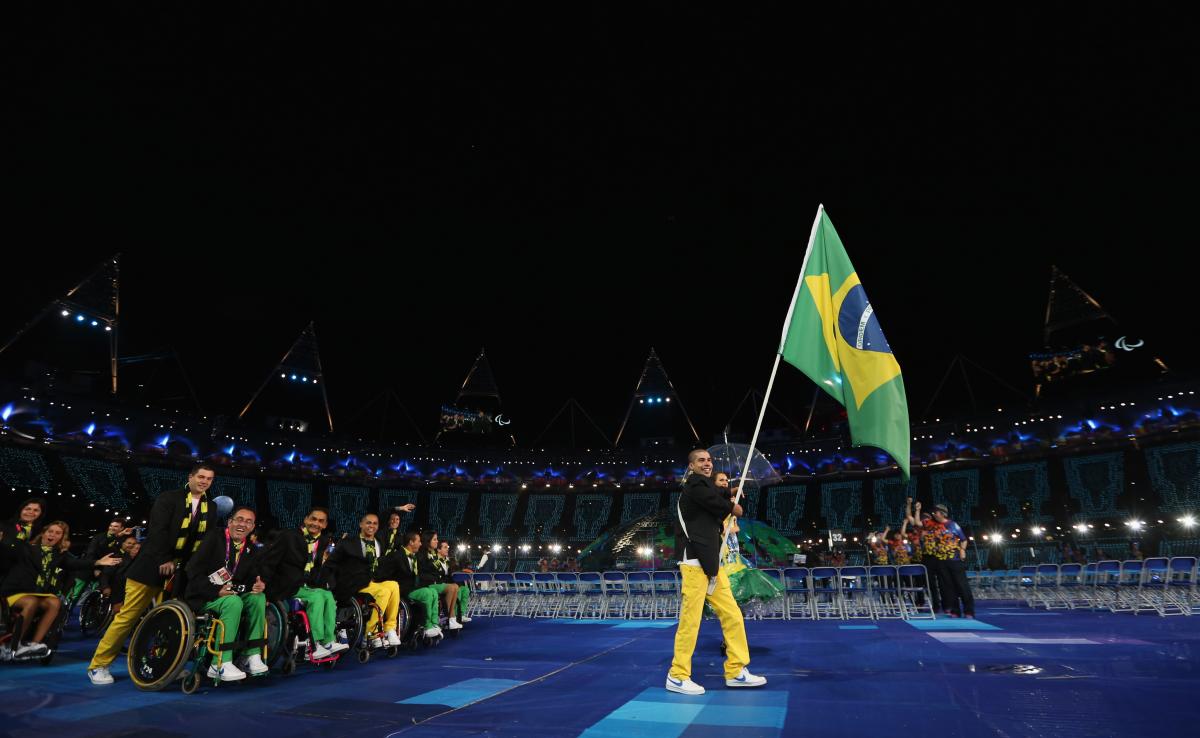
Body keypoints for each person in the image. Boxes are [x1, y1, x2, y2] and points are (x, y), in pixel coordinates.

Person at [87, 463, 220, 685]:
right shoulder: (169, 498)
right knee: (127, 617)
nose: (204, 481)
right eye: (201, 477)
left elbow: (205, 542)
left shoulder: (212, 508)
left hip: (179, 573)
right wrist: (164, 558)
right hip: (150, 568)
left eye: (209, 479)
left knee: (170, 623)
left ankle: (166, 665)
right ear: (191, 476)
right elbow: (158, 530)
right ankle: (98, 665)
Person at [667, 448, 765, 696]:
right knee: (690, 621)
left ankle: (735, 670)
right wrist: (734, 508)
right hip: (694, 564)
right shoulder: (694, 486)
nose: (707, 463)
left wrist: (731, 490)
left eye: (709, 460)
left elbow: (717, 491)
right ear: (691, 466)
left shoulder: (704, 485)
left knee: (732, 614)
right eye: (701, 460)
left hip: (711, 565)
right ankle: (677, 675)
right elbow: (716, 501)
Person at [2, 520, 120, 656]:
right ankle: (13, 645)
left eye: (58, 533)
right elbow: (9, 550)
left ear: (61, 537)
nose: (53, 535)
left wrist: (98, 562)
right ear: (44, 533)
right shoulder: (27, 548)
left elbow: (76, 563)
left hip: (38, 594)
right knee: (32, 601)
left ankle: (33, 644)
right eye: (50, 531)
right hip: (15, 591)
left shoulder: (59, 555)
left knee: (55, 602)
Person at [184, 506, 270, 681]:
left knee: (258, 598)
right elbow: (192, 570)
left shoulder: (252, 549)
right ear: (230, 522)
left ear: (253, 527)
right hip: (205, 595)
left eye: (248, 522)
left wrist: (257, 585)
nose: (242, 525)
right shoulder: (214, 538)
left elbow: (250, 578)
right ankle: (219, 663)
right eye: (239, 519)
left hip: (231, 595)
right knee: (233, 602)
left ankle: (252, 655)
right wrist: (216, 590)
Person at [263, 506, 350, 660]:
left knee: (327, 595)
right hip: (286, 585)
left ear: (324, 525)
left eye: (320, 521)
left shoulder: (322, 540)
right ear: (305, 519)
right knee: (316, 597)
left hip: (305, 585)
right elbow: (270, 561)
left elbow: (316, 567)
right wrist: (265, 587)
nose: (316, 523)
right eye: (313, 519)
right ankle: (314, 644)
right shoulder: (288, 536)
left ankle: (328, 641)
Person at [327, 513, 403, 647]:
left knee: (393, 585)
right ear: (361, 524)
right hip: (354, 582)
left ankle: (390, 628)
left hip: (371, 581)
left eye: (375, 523)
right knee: (383, 591)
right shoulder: (350, 542)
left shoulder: (378, 543)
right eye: (368, 523)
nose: (371, 526)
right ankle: (370, 633)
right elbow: (333, 563)